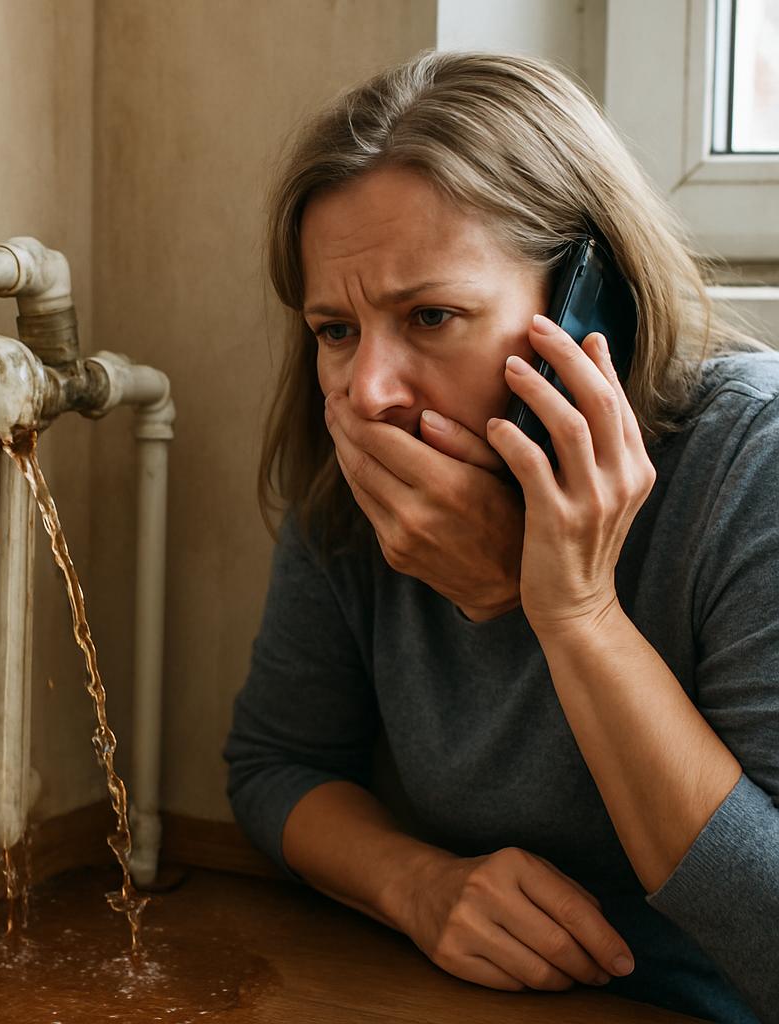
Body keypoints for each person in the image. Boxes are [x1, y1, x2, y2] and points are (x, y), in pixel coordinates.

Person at [224, 50, 779, 1024]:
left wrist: (572, 612)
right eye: (334, 328)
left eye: (430, 315)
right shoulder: (358, 461)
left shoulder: (750, 460)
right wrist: (417, 885)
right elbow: (276, 763)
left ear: (586, 300)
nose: (367, 390)